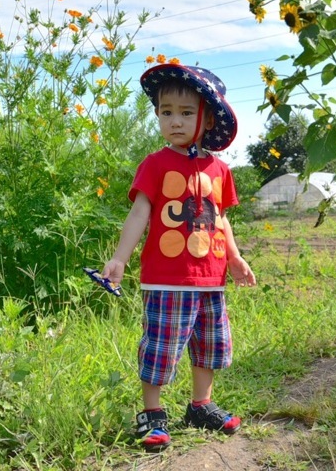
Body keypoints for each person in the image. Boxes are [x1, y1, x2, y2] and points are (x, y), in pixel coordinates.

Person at [102, 63, 257, 453]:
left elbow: (220, 218)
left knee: (211, 344)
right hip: (167, 278)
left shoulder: (220, 169)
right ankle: (152, 413)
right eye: (166, 112)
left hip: (211, 278)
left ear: (206, 119)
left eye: (186, 113)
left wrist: (235, 260)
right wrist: (120, 259)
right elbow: (139, 213)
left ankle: (200, 405)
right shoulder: (154, 165)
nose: (175, 121)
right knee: (161, 345)